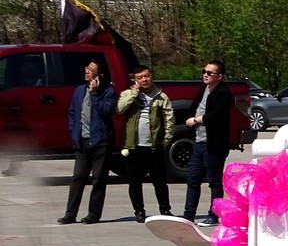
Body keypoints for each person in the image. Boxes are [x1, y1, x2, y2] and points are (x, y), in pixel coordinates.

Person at [59, 58, 117, 224]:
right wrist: (73, 132)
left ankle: (93, 214)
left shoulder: (109, 92)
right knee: (78, 177)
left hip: (101, 142)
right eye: (87, 68)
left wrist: (95, 94)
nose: (86, 71)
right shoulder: (79, 91)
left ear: (99, 75)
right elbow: (72, 113)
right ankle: (70, 214)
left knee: (98, 179)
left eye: (91, 70)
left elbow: (105, 111)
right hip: (82, 141)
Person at [117, 63, 175, 222]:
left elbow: (169, 119)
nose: (144, 79)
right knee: (134, 181)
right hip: (133, 146)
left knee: (159, 181)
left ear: (152, 77)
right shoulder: (128, 94)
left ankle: (165, 210)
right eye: (140, 77)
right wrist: (134, 93)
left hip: (154, 146)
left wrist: (166, 140)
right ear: (135, 80)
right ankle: (139, 211)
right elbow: (120, 109)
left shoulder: (161, 97)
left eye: (147, 76)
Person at [182, 59, 233, 227]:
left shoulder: (224, 93)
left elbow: (217, 116)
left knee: (214, 181)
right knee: (193, 180)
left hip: (214, 144)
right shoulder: (204, 89)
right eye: (204, 71)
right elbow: (194, 107)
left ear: (219, 76)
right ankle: (188, 215)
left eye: (210, 73)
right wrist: (190, 118)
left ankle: (213, 215)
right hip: (198, 142)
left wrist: (196, 120)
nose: (205, 75)